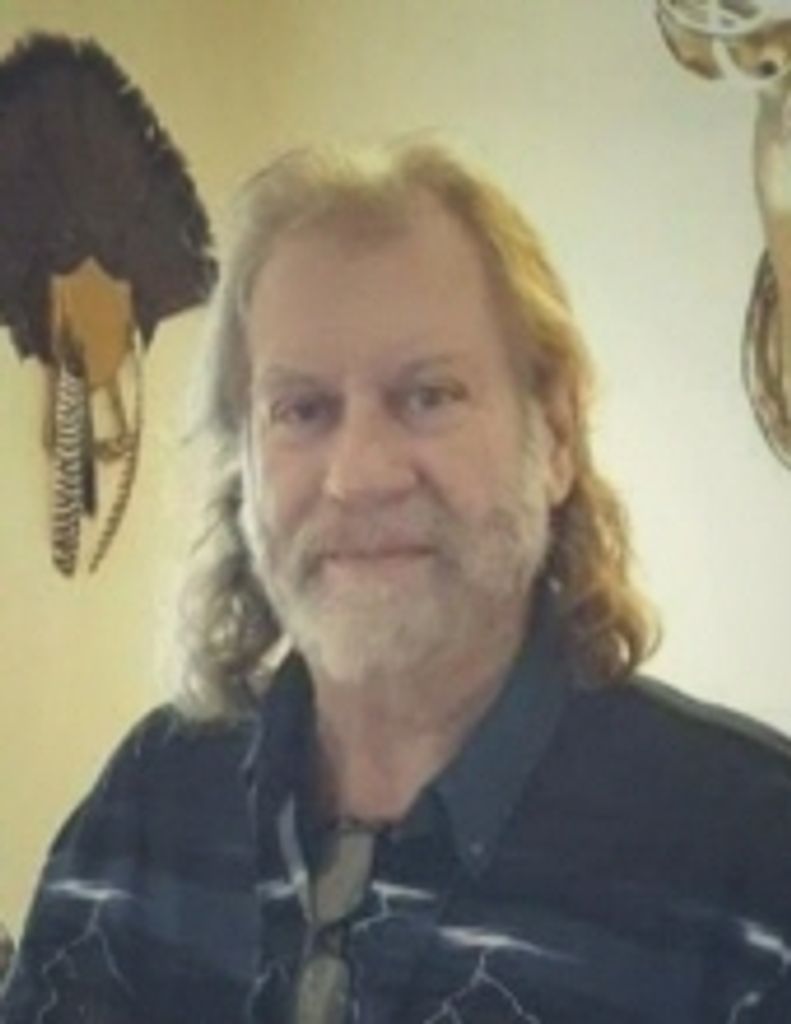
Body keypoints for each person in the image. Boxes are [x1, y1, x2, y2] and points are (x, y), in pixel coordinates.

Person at [3, 142, 791, 1024]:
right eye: (302, 409)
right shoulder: (148, 803)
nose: (359, 476)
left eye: (428, 396)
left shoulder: (755, 858)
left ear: (556, 436)